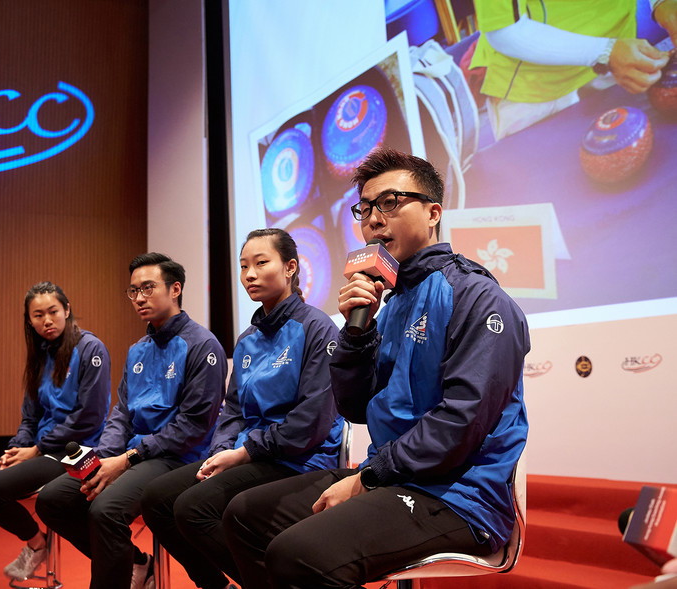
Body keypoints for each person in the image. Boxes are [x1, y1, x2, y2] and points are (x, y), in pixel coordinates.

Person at [222, 148, 530, 588]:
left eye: (389, 203)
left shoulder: (477, 297)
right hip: (394, 476)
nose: (372, 220)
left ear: (433, 213)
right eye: (364, 209)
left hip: (458, 494)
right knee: (244, 516)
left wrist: (367, 478)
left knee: (299, 554)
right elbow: (355, 406)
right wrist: (355, 334)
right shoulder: (390, 304)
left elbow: (460, 424)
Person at [141, 228, 343, 589]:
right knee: (157, 499)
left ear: (291, 267)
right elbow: (232, 409)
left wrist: (244, 453)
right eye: (243, 266)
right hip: (250, 455)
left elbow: (309, 424)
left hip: (299, 459)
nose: (249, 274)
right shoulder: (247, 339)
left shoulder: (318, 328)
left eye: (261, 263)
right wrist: (221, 452)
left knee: (193, 508)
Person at [36, 253, 227, 589]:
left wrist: (125, 460)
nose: (139, 298)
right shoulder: (138, 348)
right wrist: (105, 457)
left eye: (148, 288)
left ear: (175, 289)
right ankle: (137, 563)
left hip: (177, 459)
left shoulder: (202, 344)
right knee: (53, 500)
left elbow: (193, 427)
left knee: (105, 510)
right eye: (134, 291)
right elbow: (121, 413)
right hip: (131, 456)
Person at [0, 282, 111, 588]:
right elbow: (30, 415)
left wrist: (38, 449)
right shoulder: (40, 352)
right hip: (38, 448)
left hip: (77, 449)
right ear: (29, 320)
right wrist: (17, 448)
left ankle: (37, 544)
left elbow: (89, 417)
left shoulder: (91, 348)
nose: (47, 320)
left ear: (67, 310)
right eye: (38, 315)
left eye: (53, 311)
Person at [470, 0, 677, 139]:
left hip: (619, 59)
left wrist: (662, 3)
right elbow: (504, 30)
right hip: (538, 91)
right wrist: (605, 53)